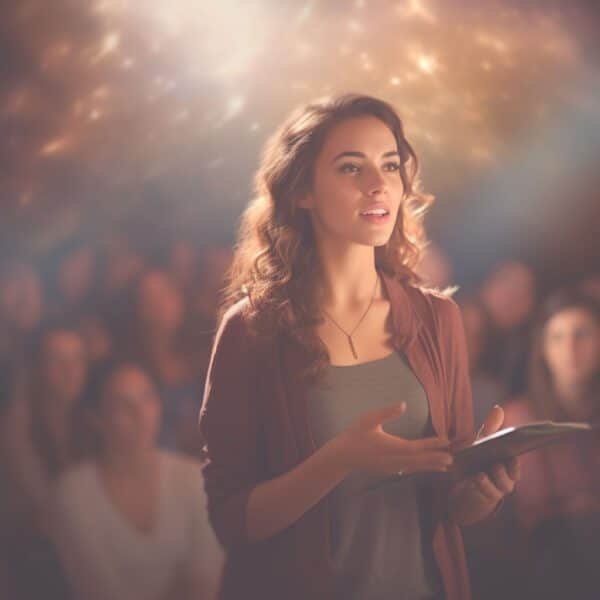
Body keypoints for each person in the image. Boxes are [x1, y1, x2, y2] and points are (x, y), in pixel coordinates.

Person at [199, 93, 520, 600]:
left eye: (390, 166)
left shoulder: (438, 320)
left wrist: (482, 494)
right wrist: (339, 458)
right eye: (352, 168)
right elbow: (231, 522)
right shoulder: (252, 330)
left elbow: (448, 508)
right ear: (303, 189)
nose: (378, 184)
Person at [51, 359, 223, 600]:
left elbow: (206, 582)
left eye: (147, 398)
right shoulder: (73, 494)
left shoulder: (193, 478)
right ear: (96, 418)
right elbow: (100, 590)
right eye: (123, 405)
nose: (140, 414)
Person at [504, 288, 600, 599]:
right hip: (545, 565)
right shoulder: (517, 419)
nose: (570, 348)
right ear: (543, 349)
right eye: (557, 337)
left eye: (582, 334)